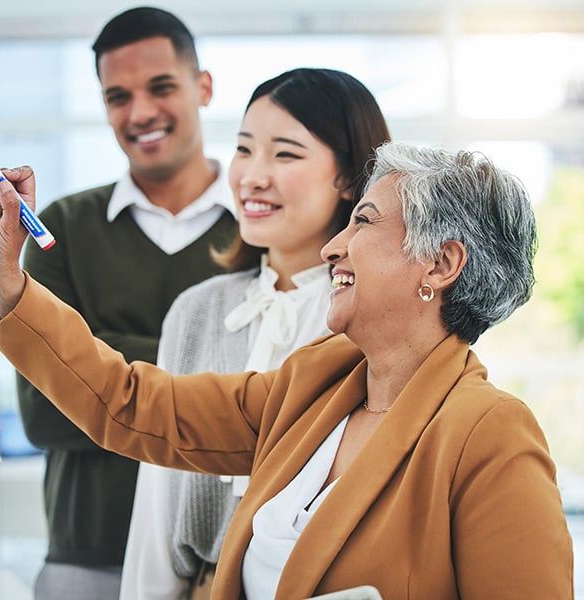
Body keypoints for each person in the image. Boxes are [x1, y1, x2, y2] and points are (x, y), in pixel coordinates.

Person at [0, 142, 574, 599]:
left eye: (364, 223)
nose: (332, 247)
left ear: (442, 264)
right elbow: (129, 404)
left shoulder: (491, 434)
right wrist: (10, 288)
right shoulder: (315, 384)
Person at [120, 68, 391, 600]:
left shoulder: (375, 321)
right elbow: (154, 510)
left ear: (349, 179)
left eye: (285, 154)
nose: (252, 176)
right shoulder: (196, 311)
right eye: (244, 149)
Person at [14, 7, 236, 599]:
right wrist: (219, 371)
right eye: (118, 96)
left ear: (203, 87)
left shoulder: (259, 230)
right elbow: (41, 407)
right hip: (89, 557)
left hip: (223, 554)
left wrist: (93, 352)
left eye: (161, 87)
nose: (140, 113)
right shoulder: (59, 226)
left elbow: (281, 385)